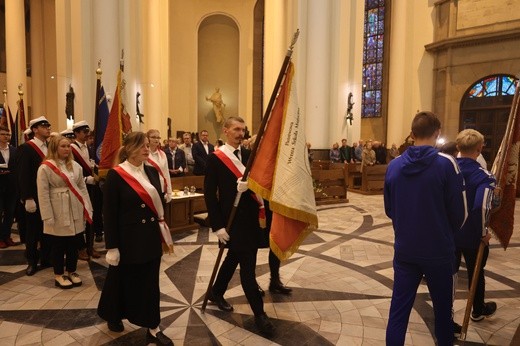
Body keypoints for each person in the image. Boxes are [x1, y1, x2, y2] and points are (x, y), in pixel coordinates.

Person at [384, 111, 467, 345]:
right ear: (437, 133)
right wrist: (442, 231)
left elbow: (390, 209)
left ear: (412, 134)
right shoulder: (447, 164)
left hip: (405, 249)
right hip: (439, 251)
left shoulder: (394, 166)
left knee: (398, 311)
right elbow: (460, 213)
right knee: (442, 311)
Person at [97, 131, 174, 346]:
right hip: (127, 240)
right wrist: (112, 246)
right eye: (142, 146)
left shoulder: (150, 171)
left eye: (148, 146)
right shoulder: (116, 175)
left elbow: (156, 205)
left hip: (149, 238)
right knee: (119, 279)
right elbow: (109, 214)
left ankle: (153, 327)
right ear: (129, 149)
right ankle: (112, 313)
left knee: (150, 283)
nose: (147, 149)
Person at [204, 116, 275, 336]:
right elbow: (209, 195)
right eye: (235, 129)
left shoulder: (248, 155)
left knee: (233, 257)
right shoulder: (216, 159)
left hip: (251, 220)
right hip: (231, 222)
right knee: (247, 268)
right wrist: (218, 226)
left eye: (243, 130)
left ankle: (216, 291)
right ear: (225, 131)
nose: (240, 133)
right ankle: (259, 314)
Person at [37, 135, 93, 289]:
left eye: (68, 146)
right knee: (59, 244)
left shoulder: (75, 166)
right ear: (54, 148)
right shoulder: (46, 167)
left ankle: (72, 271)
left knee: (73, 242)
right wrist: (47, 215)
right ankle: (59, 274)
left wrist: (87, 206)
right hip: (57, 209)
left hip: (75, 206)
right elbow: (43, 193)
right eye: (63, 146)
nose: (67, 149)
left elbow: (82, 187)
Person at [454, 129, 497, 322]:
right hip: (471, 234)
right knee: (476, 272)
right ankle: (477, 309)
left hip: (449, 232)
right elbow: (481, 206)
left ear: (458, 147)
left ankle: (446, 312)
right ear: (479, 149)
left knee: (449, 274)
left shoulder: (448, 170)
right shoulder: (484, 176)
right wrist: (482, 233)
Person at [17, 116, 53, 276]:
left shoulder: (50, 147)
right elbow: (23, 175)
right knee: (33, 230)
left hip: (49, 195)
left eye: (48, 126)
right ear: (35, 130)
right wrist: (28, 198)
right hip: (34, 196)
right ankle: (31, 261)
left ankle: (46, 257)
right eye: (44, 126)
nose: (48, 128)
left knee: (48, 228)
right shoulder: (26, 148)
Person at [71, 121, 100, 261]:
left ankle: (90, 246)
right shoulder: (71, 148)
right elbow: (70, 170)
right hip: (78, 186)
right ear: (76, 133)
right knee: (78, 218)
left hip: (90, 187)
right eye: (83, 131)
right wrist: (85, 179)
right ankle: (79, 248)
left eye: (87, 131)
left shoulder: (88, 147)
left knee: (91, 216)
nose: (86, 134)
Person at [0, 125, 18, 248]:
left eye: (8, 134)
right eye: (3, 134)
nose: (6, 136)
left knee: (10, 213)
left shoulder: (14, 150)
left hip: (11, 186)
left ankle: (7, 236)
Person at [146, 129, 172, 203]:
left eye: (158, 137)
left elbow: (166, 173)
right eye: (153, 137)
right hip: (149, 187)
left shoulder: (163, 154)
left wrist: (169, 191)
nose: (156, 139)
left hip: (161, 188)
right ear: (147, 138)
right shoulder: (144, 153)